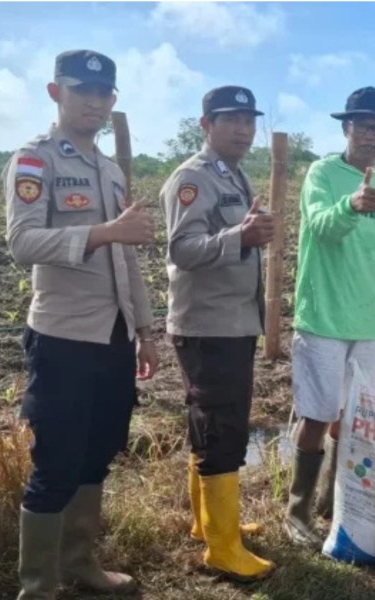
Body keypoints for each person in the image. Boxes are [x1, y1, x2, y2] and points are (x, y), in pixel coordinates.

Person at [4, 49, 158, 599]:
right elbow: (22, 242)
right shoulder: (35, 160)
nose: (94, 101)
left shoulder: (111, 170)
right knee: (57, 461)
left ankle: (80, 564)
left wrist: (144, 328)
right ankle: (38, 586)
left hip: (113, 336)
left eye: (105, 93)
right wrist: (103, 232)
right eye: (82, 89)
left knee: (98, 451)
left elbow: (128, 256)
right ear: (55, 92)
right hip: (63, 336)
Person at [284, 86, 375, 546]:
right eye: (364, 126)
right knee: (317, 415)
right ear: (347, 128)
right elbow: (320, 225)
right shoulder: (322, 174)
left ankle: (333, 502)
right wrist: (350, 206)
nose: (372, 135)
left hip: (364, 325)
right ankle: (296, 512)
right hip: (322, 319)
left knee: (351, 418)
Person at [161, 85, 276, 580]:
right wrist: (240, 237)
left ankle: (206, 525)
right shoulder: (192, 177)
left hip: (231, 321)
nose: (244, 129)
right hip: (208, 326)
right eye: (231, 119)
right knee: (224, 427)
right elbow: (182, 249)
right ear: (206, 124)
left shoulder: (233, 174)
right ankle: (222, 549)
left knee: (209, 423)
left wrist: (244, 234)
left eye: (249, 120)